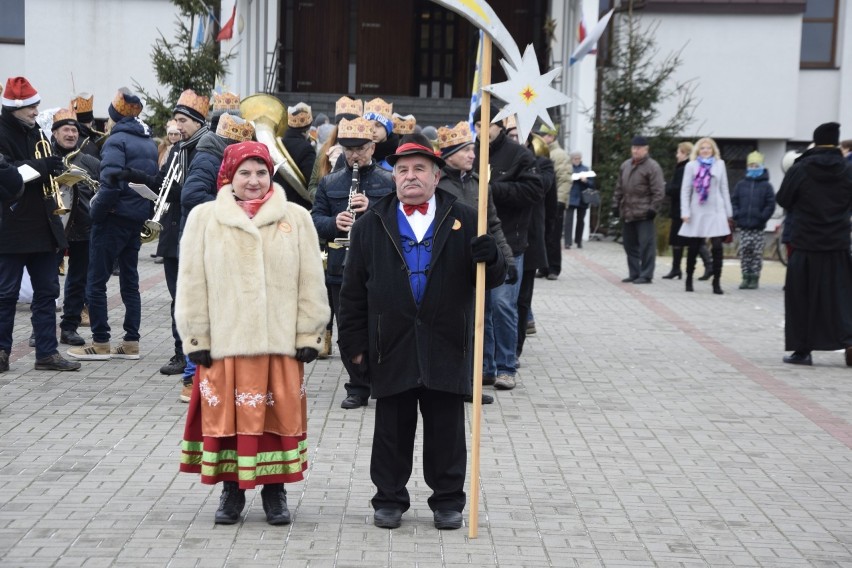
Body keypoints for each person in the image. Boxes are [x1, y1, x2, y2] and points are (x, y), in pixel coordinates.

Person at [337, 139, 506, 531]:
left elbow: (495, 279)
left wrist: (491, 255)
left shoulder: (465, 218)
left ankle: (448, 501)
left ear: (436, 175)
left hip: (446, 341)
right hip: (391, 342)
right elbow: (351, 293)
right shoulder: (370, 224)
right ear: (393, 177)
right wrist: (355, 347)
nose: (409, 177)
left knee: (447, 431)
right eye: (402, 170)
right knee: (391, 431)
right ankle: (389, 499)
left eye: (418, 170)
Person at [176, 141, 329, 525]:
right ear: (228, 175)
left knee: (276, 425)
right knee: (228, 423)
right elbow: (192, 281)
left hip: (279, 345)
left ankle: (275, 494)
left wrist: (310, 333)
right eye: (244, 172)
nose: (254, 181)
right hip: (225, 345)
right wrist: (196, 337)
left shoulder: (297, 217)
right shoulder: (203, 218)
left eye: (261, 172)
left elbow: (311, 280)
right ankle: (232, 492)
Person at [67, 87, 158, 361]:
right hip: (134, 218)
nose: (105, 123)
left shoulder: (116, 141)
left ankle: (100, 341)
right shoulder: (149, 142)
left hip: (112, 218)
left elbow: (110, 183)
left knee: (96, 281)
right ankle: (131, 342)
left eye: (107, 118)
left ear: (114, 118)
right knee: (130, 281)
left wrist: (96, 212)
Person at [311, 116, 394, 409]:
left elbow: (401, 221)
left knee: (380, 327)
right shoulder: (330, 182)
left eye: (359, 148)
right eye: (348, 149)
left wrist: (372, 210)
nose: (353, 155)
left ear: (372, 147)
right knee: (348, 327)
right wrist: (335, 222)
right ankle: (357, 385)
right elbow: (314, 220)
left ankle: (381, 381)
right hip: (340, 265)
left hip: (379, 266)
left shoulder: (390, 181)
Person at [0, 76, 80, 372]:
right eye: (30, 107)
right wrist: (42, 167)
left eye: (36, 106)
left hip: (44, 225)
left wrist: (56, 169)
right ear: (14, 108)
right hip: (10, 226)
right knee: (5, 295)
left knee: (47, 293)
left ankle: (47, 352)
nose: (36, 112)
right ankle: (1, 352)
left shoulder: (37, 132)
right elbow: (6, 177)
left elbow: (41, 165)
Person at [175, 112, 255, 402]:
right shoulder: (209, 158)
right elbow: (191, 195)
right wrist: (234, 205)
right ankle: (190, 379)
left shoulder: (212, 154)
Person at [435, 122, 514, 404]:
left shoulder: (481, 183)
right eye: (467, 150)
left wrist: (505, 257)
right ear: (450, 154)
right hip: (446, 264)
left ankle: (472, 381)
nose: (472, 154)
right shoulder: (436, 184)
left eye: (473, 149)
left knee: (477, 324)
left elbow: (493, 224)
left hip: (477, 265)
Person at [473, 104, 543, 391]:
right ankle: (486, 367)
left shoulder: (519, 155)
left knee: (503, 305)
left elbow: (534, 191)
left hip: (510, 242)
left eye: (486, 125)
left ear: (500, 126)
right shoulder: (470, 153)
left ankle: (506, 366)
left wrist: (493, 189)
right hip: (477, 245)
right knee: (483, 308)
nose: (480, 131)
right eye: (477, 125)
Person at [775, 122, 852, 366]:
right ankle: (849, 341)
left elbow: (784, 198)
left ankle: (802, 350)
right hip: (837, 243)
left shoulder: (801, 168)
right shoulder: (847, 168)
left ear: (816, 141)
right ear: (837, 143)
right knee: (841, 297)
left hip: (805, 242)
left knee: (801, 296)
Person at [50, 108, 100, 347]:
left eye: (74, 130)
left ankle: (69, 327)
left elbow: (103, 189)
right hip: (51, 229)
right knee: (47, 281)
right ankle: (43, 327)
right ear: (55, 133)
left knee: (78, 281)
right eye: (66, 130)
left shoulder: (88, 160)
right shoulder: (46, 157)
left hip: (83, 229)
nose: (71, 134)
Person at [679, 137, 733, 295]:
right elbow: (685, 190)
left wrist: (729, 212)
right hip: (698, 209)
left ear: (713, 150)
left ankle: (716, 281)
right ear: (698, 150)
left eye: (708, 148)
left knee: (717, 246)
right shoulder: (691, 166)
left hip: (716, 210)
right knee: (694, 246)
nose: (705, 150)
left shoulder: (719, 165)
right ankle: (689, 278)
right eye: (702, 148)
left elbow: (724, 189)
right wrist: (685, 212)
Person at [612, 135, 665, 284]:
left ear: (646, 149)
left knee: (646, 246)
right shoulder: (625, 165)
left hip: (644, 213)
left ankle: (646, 274)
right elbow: (619, 188)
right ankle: (634, 272)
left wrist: (653, 208)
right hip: (628, 212)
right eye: (634, 148)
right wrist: (615, 205)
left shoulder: (652, 167)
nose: (636, 151)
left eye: (639, 148)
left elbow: (659, 190)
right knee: (629, 245)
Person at [662, 141, 712, 281]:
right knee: (680, 240)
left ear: (685, 154)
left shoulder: (684, 168)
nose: (676, 155)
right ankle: (676, 268)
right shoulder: (688, 167)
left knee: (691, 239)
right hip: (684, 209)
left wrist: (667, 188)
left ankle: (708, 266)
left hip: (683, 210)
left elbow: (679, 189)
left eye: (678, 152)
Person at [731, 150, 776, 290]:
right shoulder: (741, 185)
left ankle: (754, 278)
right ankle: (745, 277)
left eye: (756, 165)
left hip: (758, 227)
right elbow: (734, 201)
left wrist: (763, 217)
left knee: (756, 253)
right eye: (751, 165)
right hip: (744, 226)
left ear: (761, 166)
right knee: (745, 252)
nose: (754, 168)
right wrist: (737, 214)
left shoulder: (767, 186)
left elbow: (770, 204)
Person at [536, 123, 570, 278]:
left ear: (551, 137)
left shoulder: (559, 154)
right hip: (545, 201)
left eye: (543, 135)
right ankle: (544, 266)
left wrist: (560, 201)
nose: (541, 138)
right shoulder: (545, 152)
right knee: (543, 235)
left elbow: (564, 179)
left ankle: (554, 268)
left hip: (556, 201)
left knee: (554, 236)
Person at [280, 102, 315, 210]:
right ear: (307, 130)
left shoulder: (279, 143)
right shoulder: (306, 148)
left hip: (279, 201)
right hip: (299, 206)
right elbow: (312, 181)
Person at [565, 151, 594, 250]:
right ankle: (567, 242)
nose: (577, 160)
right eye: (575, 158)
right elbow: (563, 180)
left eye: (579, 158)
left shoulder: (585, 169)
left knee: (580, 220)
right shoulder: (568, 168)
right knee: (568, 220)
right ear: (571, 159)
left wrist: (586, 181)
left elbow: (592, 184)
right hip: (571, 197)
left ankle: (578, 241)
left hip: (582, 198)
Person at [363, 97, 397, 170]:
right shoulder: (355, 152)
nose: (373, 130)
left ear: (388, 128)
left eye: (378, 125)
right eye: (368, 126)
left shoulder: (399, 154)